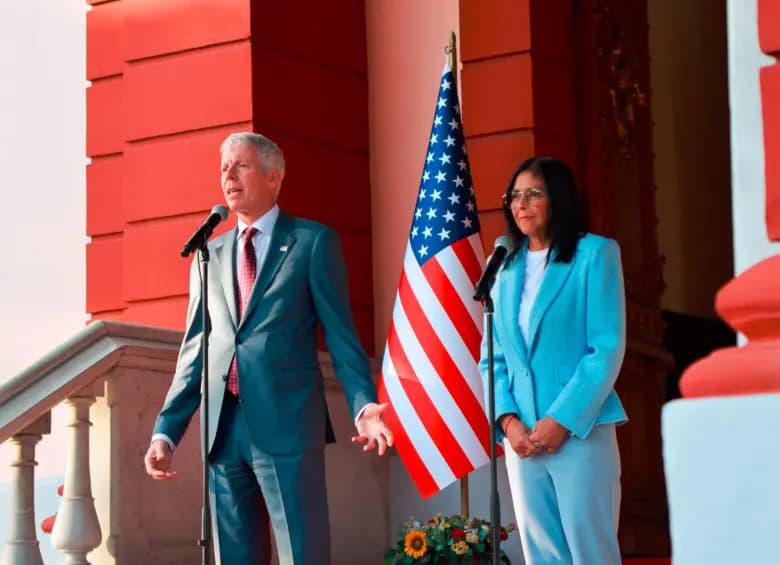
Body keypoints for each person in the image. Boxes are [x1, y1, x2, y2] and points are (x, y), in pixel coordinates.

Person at [143, 132, 393, 565]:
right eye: (223, 168)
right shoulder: (210, 254)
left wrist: (363, 406)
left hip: (288, 427)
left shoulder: (311, 242)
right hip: (224, 430)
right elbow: (195, 351)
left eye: (240, 165)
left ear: (274, 176)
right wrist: (166, 430)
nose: (228, 175)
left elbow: (341, 335)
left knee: (303, 554)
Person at [479, 156, 628, 564]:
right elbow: (492, 360)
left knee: (589, 550)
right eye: (514, 196)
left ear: (558, 199)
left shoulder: (594, 255)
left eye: (534, 194)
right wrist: (509, 423)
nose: (520, 204)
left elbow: (605, 348)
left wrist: (559, 420)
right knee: (541, 555)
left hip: (579, 431)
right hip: (521, 439)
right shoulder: (504, 269)